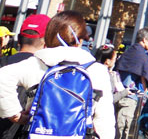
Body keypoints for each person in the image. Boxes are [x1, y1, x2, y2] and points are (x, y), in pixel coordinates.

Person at [0, 10, 115, 139]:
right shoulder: (96, 70)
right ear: (80, 40)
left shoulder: (38, 63)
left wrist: (15, 115)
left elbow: (3, 77)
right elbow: (104, 118)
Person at [115, 27, 148, 136]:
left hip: (118, 94)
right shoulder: (141, 55)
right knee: (124, 131)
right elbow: (146, 72)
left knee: (117, 129)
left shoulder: (130, 51)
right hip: (129, 98)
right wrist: (147, 85)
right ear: (144, 40)